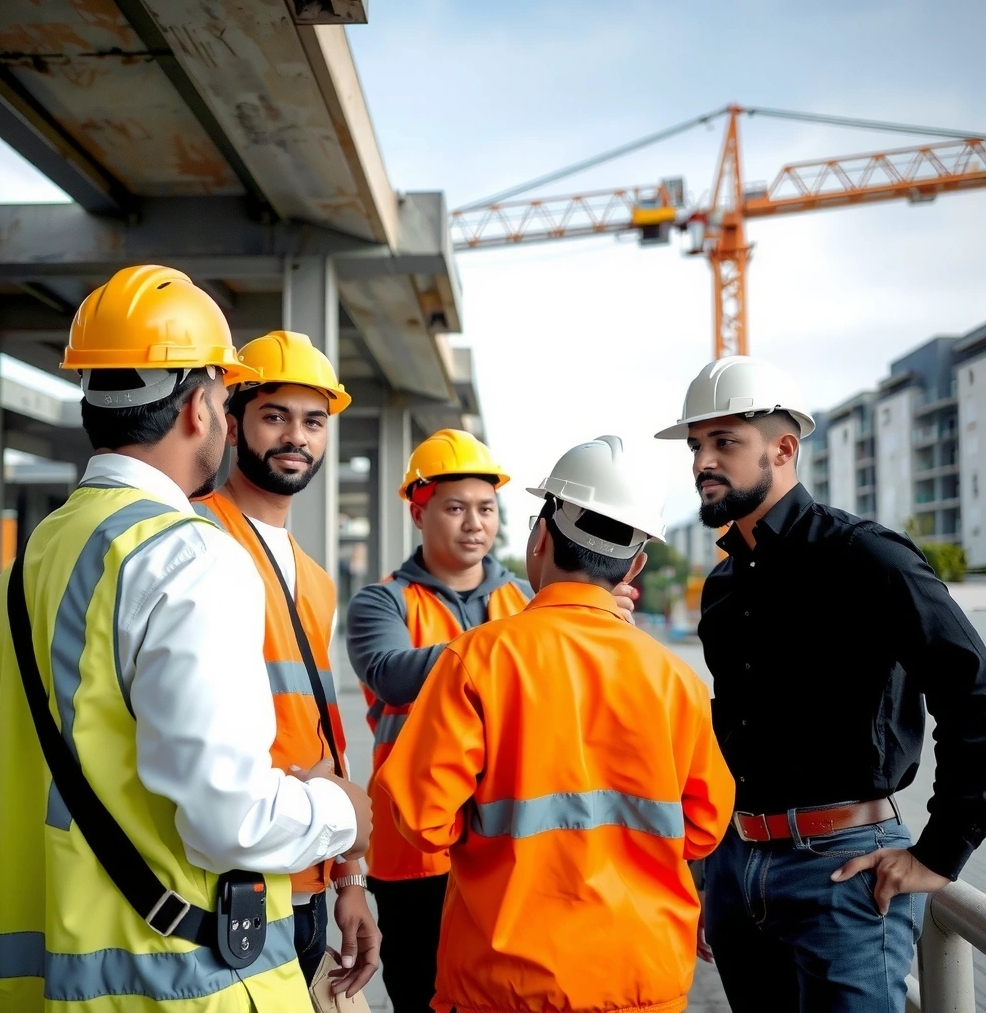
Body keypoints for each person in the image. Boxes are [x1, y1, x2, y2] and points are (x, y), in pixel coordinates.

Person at [0, 266, 371, 1012]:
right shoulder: (187, 555)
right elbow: (230, 815)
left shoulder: (28, 563)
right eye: (230, 400)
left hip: (49, 986)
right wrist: (344, 815)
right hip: (178, 983)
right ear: (199, 405)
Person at [656, 355, 986, 1013]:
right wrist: (708, 865)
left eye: (725, 443)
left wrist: (941, 853)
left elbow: (973, 695)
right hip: (737, 866)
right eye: (697, 446)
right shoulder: (722, 588)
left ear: (783, 450)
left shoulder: (867, 557)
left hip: (845, 871)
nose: (702, 463)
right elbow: (731, 740)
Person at [376, 435, 735, 1013]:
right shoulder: (677, 681)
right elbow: (702, 830)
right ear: (636, 565)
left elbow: (422, 822)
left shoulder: (477, 660)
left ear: (539, 538)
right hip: (643, 980)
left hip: (505, 985)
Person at [193, 329, 380, 995]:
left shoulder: (317, 578)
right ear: (233, 423)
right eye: (275, 416)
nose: (296, 437)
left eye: (314, 421)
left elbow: (326, 729)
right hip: (227, 881)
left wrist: (349, 879)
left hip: (306, 877)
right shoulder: (193, 539)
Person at [345, 429, 533, 1012]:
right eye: (455, 508)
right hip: (414, 850)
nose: (475, 523)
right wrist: (519, 645)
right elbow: (393, 675)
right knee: (422, 996)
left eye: (486, 508)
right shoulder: (384, 602)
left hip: (511, 840)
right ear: (418, 513)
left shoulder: (526, 599)